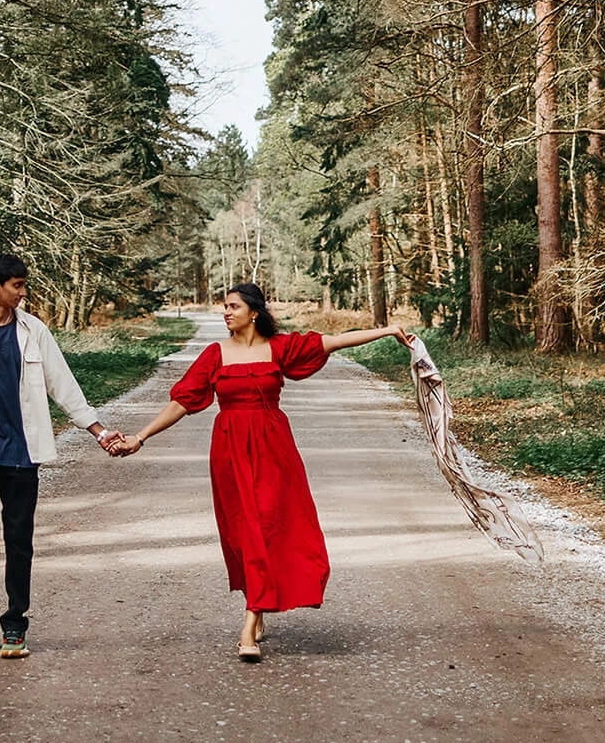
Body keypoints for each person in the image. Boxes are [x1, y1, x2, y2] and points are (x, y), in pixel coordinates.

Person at [111, 281, 411, 661]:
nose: (226, 312)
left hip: (274, 451)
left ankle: (249, 624)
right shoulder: (215, 354)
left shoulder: (280, 348)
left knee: (269, 527)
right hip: (230, 452)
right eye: (224, 307)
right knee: (244, 531)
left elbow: (334, 341)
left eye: (233, 306)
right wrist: (140, 436)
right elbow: (182, 402)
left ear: (254, 312)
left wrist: (387, 330)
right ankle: (259, 599)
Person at [0, 252, 124, 658]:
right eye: (17, 285)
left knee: (19, 540)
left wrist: (99, 431)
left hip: (22, 453)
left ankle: (15, 622)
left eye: (23, 284)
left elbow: (63, 385)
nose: (23, 292)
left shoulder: (34, 331)